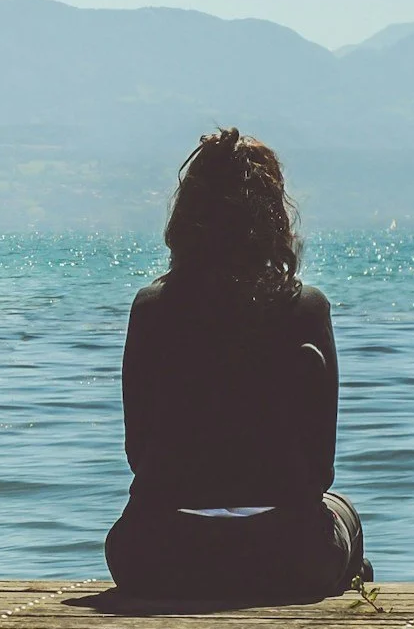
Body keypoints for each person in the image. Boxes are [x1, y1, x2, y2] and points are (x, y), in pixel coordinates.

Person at [105, 128, 370, 602]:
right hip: (289, 554)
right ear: (274, 220)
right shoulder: (306, 309)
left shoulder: (151, 309)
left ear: (186, 218)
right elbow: (320, 470)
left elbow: (137, 453)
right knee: (343, 511)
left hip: (158, 553)